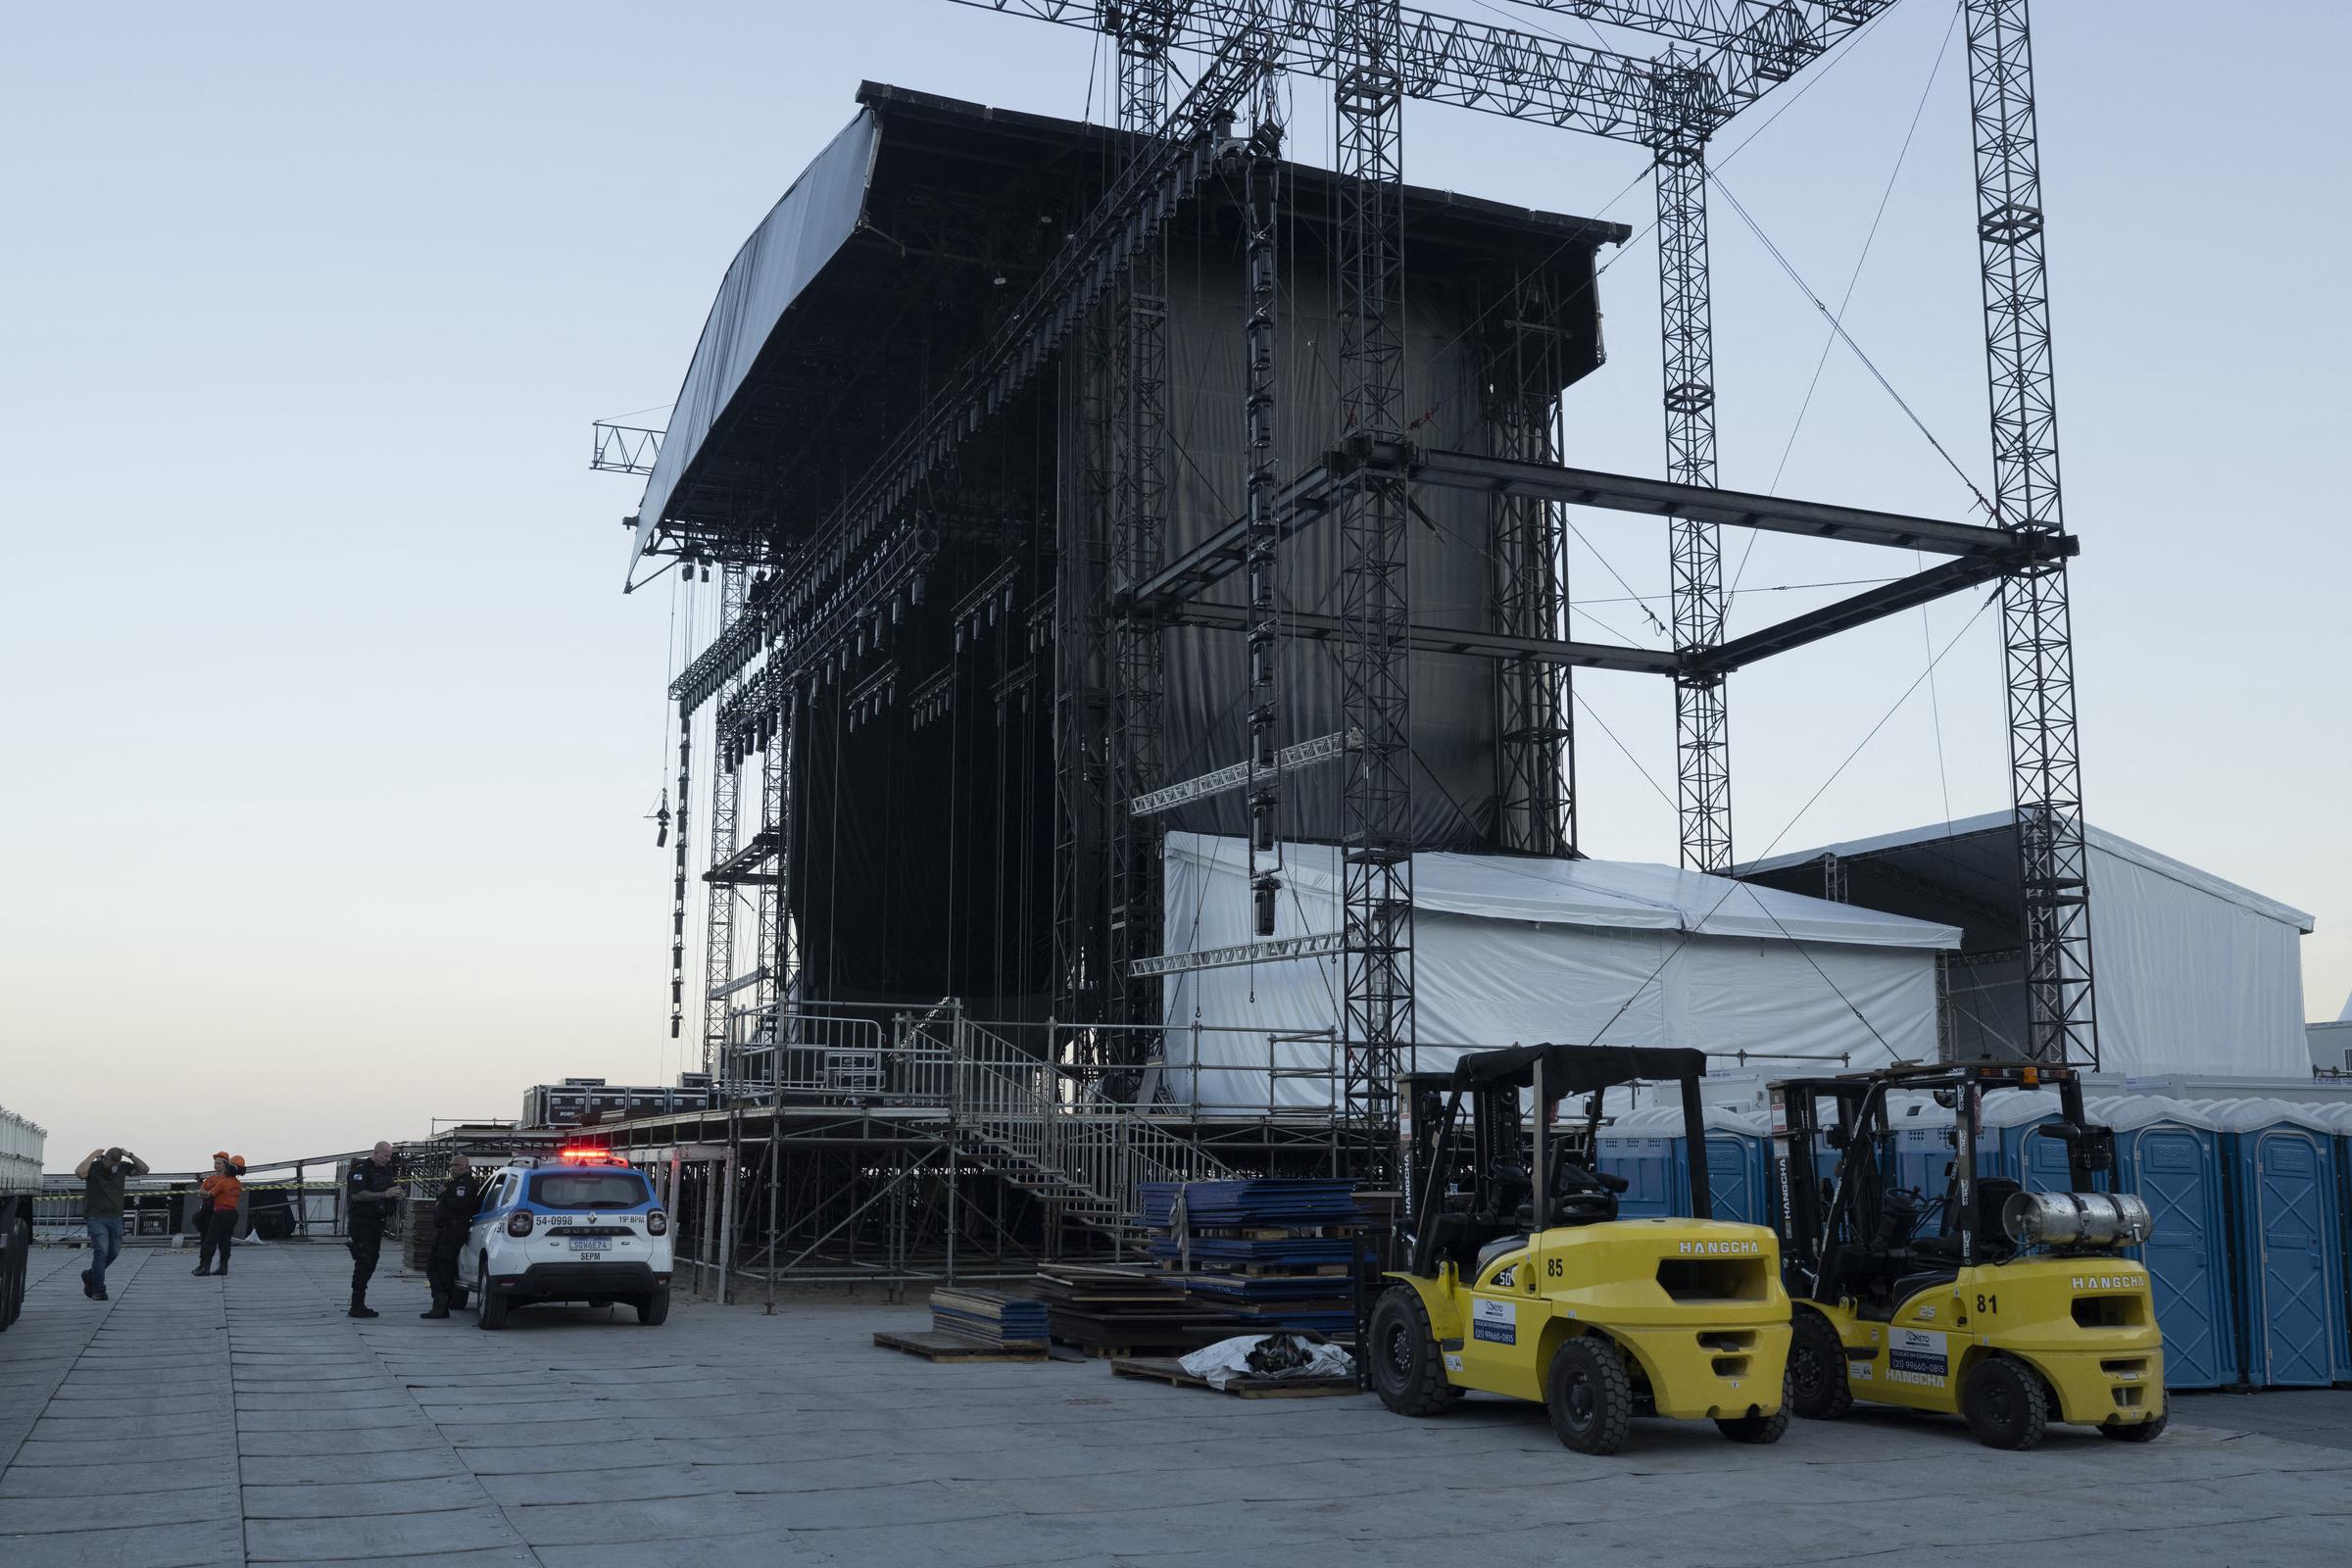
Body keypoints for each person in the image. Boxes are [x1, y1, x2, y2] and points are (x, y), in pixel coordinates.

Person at [74, 1146, 148, 1300]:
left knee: (113, 1252)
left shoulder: (122, 1168)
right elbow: (79, 1173)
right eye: (111, 1163)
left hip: (115, 1217)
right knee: (101, 1251)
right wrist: (93, 1154)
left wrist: (130, 1155)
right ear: (105, 1158)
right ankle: (98, 1289)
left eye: (116, 1163)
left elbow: (144, 1169)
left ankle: (90, 1275)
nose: (113, 1166)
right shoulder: (93, 1167)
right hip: (95, 1216)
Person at [420, 1154, 483, 1319]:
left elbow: (459, 1205)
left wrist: (445, 1193)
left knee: (443, 1268)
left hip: (453, 1230)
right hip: (444, 1230)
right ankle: (441, 1300)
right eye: (451, 1165)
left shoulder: (465, 1184)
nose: (452, 1168)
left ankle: (442, 1304)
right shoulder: (453, 1185)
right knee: (434, 1266)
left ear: (465, 1166)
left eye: (456, 1165)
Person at [345, 1141, 403, 1318]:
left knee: (371, 1261)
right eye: (385, 1155)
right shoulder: (359, 1172)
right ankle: (356, 1304)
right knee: (364, 1260)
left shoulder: (385, 1172)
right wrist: (384, 1194)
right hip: (361, 1222)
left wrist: (396, 1195)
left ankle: (359, 1303)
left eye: (389, 1156)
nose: (387, 1159)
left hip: (376, 1222)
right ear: (375, 1153)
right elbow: (357, 1195)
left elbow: (388, 1192)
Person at [192, 1153, 245, 1277]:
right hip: (233, 1213)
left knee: (210, 1240)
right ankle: (223, 1267)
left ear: (227, 1166)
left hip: (220, 1213)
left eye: (220, 1163)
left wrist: (205, 1193)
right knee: (225, 1241)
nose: (217, 1165)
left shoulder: (222, 1182)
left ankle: (205, 1268)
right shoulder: (237, 1183)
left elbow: (209, 1195)